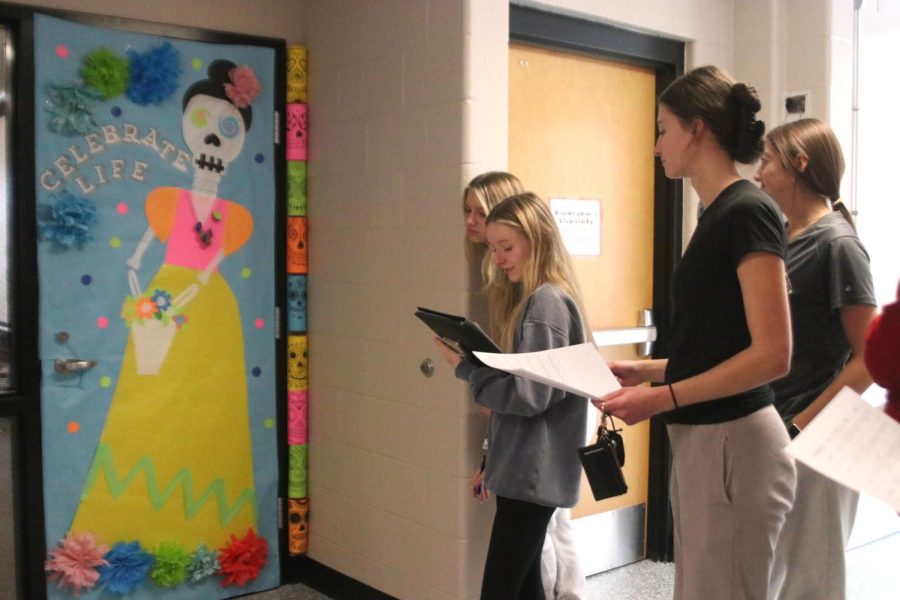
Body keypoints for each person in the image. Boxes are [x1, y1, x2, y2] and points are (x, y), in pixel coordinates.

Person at [595, 66, 796, 600]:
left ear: (697, 129)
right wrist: (648, 370)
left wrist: (663, 397)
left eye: (663, 129)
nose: (657, 146)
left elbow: (773, 355)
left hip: (735, 440)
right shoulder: (717, 214)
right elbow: (720, 346)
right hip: (709, 438)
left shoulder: (748, 211)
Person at [68, 60, 261, 555]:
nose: (213, 142)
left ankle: (210, 535)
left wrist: (188, 294)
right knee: (151, 399)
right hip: (165, 297)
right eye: (204, 125)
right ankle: (132, 524)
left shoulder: (233, 216)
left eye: (227, 129)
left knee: (209, 408)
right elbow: (136, 259)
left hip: (210, 307)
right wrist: (143, 300)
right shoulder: (167, 203)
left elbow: (208, 266)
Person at [436, 192, 591, 599]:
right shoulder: (546, 300)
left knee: (502, 591)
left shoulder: (545, 304)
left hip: (532, 477)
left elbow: (530, 396)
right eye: (493, 248)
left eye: (507, 247)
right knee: (525, 589)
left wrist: (467, 369)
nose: (499, 259)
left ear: (537, 240)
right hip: (528, 474)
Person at [755, 118, 877, 600]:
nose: (759, 173)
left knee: (812, 583)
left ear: (799, 164)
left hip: (821, 438)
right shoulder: (779, 240)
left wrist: (801, 424)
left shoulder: (839, 245)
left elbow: (870, 359)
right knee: (773, 574)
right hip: (778, 430)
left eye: (767, 161)